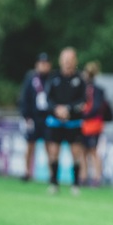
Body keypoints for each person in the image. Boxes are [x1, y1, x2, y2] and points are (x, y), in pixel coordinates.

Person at [44, 47, 87, 195]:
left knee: (76, 152)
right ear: (60, 60)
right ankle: (54, 183)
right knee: (54, 151)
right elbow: (47, 99)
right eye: (65, 59)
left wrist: (68, 109)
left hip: (73, 122)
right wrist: (57, 109)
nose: (67, 62)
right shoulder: (53, 77)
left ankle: (75, 184)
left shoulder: (80, 79)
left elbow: (83, 100)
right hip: (55, 121)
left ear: (75, 61)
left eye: (70, 59)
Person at [18, 52, 52, 181]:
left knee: (49, 145)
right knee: (29, 145)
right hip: (33, 116)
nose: (44, 66)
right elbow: (24, 98)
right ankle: (26, 171)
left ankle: (51, 173)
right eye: (42, 63)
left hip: (47, 117)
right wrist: (26, 116)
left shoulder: (51, 79)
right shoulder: (31, 79)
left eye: (46, 63)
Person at [81, 60, 107, 187]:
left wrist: (83, 115)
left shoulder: (95, 90)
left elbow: (96, 107)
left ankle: (96, 176)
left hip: (92, 125)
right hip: (86, 125)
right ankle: (85, 176)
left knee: (92, 151)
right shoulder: (87, 88)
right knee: (85, 151)